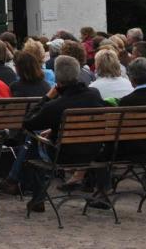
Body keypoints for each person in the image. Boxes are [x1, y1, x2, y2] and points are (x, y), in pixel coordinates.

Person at [22, 55, 106, 213]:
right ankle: (102, 193)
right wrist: (54, 130)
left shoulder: (56, 105)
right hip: (94, 152)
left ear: (57, 77)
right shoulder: (94, 94)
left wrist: (47, 97)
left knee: (32, 139)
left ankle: (38, 198)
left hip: (64, 155)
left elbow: (28, 123)